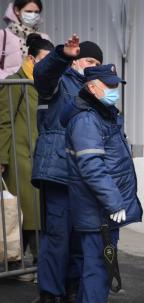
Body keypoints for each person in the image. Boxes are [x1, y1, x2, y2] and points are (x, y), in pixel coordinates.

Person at [60, 63, 143, 303]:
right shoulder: (87, 119)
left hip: (101, 211)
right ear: (92, 88)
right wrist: (114, 203)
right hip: (98, 210)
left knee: (97, 270)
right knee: (98, 271)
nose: (115, 89)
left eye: (116, 84)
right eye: (110, 85)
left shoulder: (103, 113)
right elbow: (91, 167)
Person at [31, 34, 103, 302]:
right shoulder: (59, 82)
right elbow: (43, 74)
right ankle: (50, 292)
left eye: (97, 62)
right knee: (58, 234)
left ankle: (72, 287)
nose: (91, 65)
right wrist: (62, 54)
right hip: (59, 169)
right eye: (87, 59)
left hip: (86, 174)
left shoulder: (98, 90)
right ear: (75, 61)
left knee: (79, 236)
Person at [0, 33, 53, 282]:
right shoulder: (16, 81)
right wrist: (2, 157)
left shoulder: (45, 82)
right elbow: (4, 122)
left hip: (40, 154)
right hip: (20, 156)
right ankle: (25, 264)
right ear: (31, 58)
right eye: (45, 59)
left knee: (32, 212)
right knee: (26, 212)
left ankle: (28, 263)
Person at [0, 0, 49, 79]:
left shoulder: (44, 38)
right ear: (17, 10)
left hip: (36, 87)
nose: (33, 15)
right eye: (29, 11)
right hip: (10, 88)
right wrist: (9, 79)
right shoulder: (3, 35)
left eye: (36, 12)